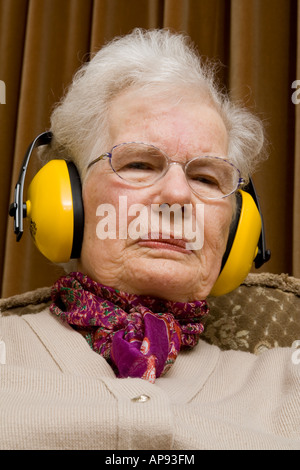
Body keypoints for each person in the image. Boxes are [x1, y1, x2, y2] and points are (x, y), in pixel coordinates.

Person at [1, 29, 299, 450]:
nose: (177, 195)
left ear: (236, 229)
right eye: (139, 163)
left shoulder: (289, 385)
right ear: (65, 198)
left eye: (205, 177)